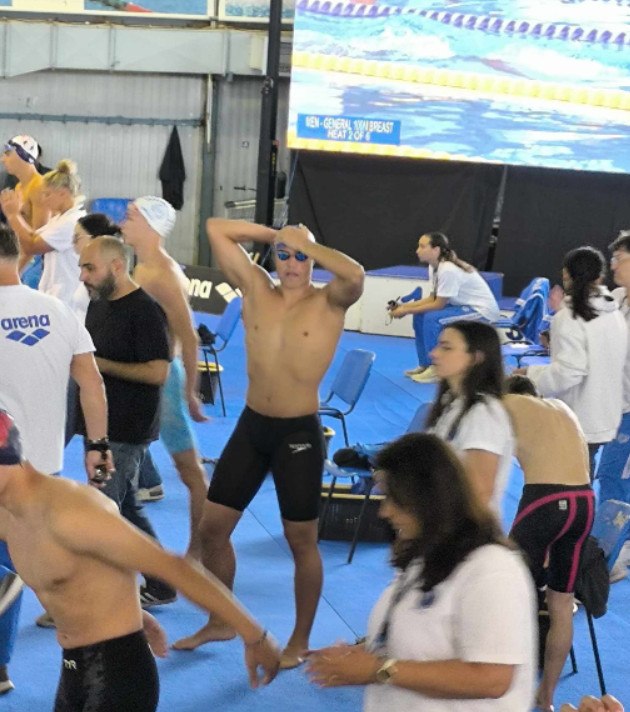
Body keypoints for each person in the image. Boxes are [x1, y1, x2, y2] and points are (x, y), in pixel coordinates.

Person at [174, 219, 364, 668]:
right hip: (252, 426)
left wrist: (306, 245)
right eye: (284, 255)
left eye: (301, 257)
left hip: (298, 433)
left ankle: (299, 639)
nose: (292, 263)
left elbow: (355, 274)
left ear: (313, 261)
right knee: (211, 530)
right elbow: (216, 228)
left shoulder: (329, 300)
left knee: (301, 541)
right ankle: (223, 620)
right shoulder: (256, 288)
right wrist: (277, 235)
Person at [0, 409, 280, 711]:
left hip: (118, 676)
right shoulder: (9, 515)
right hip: (73, 668)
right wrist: (131, 609)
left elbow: (173, 568)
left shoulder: (70, 511)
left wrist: (255, 635)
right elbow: (77, 573)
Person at [306, 432, 536, 710]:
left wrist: (378, 669)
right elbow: (419, 639)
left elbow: (493, 678)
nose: (384, 512)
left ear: (425, 499)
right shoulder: (427, 555)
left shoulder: (493, 571)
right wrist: (359, 656)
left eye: (392, 499)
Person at [0, 224, 111, 688]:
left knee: (10, 567)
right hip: (45, 464)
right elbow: (92, 382)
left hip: (3, 466)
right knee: (15, 564)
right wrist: (98, 445)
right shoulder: (58, 310)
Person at [76, 236, 177, 606]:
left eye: (90, 267)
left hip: (126, 430)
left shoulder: (145, 311)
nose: (83, 276)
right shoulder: (98, 304)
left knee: (99, 513)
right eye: (81, 267)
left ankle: (90, 601)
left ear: (117, 266)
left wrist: (98, 365)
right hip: (101, 427)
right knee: (128, 510)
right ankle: (163, 583)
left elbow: (158, 373)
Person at [121, 196, 209, 566]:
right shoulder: (142, 267)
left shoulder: (163, 275)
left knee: (190, 472)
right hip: (144, 377)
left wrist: (190, 391)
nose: (123, 222)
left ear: (151, 225)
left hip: (165, 382)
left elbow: (189, 336)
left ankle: (199, 550)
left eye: (130, 217)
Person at [503, 375, 594, 712]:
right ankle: (547, 697)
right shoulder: (562, 408)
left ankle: (506, 690)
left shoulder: (509, 404)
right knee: (561, 603)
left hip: (545, 502)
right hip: (585, 502)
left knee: (508, 595)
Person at [517, 247, 627, 475]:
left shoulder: (571, 315)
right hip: (605, 413)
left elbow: (570, 371)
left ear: (566, 275)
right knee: (585, 473)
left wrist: (531, 375)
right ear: (599, 277)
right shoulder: (612, 310)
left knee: (566, 478)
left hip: (580, 416)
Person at [425, 320, 513, 518]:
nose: (434, 354)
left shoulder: (484, 414)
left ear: (475, 358)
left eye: (446, 348)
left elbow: (480, 493)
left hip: (462, 528)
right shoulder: (452, 403)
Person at [389, 232, 500, 383]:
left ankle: (436, 368)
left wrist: (405, 310)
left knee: (432, 318)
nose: (417, 250)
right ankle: (425, 364)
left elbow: (438, 305)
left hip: (482, 310)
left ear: (436, 250)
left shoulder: (448, 269)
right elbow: (433, 298)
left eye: (422, 246)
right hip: (463, 306)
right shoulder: (434, 267)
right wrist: (403, 306)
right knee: (420, 315)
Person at [0, 158, 86, 305]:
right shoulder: (59, 219)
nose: (44, 200)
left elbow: (32, 246)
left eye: (47, 194)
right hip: (56, 295)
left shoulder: (72, 222)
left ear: (63, 193)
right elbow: (33, 236)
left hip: (68, 298)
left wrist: (13, 215)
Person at [596, 231, 630, 579]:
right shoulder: (616, 299)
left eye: (620, 259)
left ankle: (611, 557)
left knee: (614, 477)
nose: (613, 266)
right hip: (613, 405)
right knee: (611, 476)